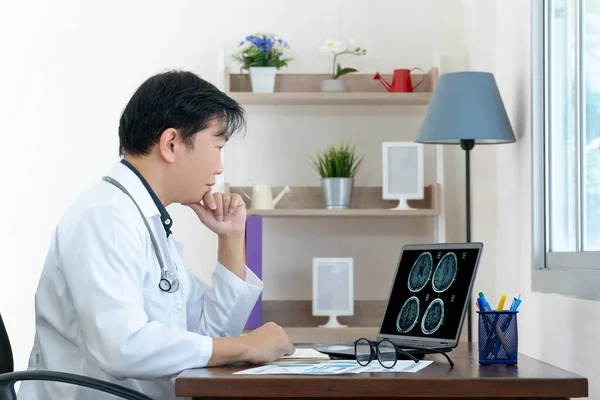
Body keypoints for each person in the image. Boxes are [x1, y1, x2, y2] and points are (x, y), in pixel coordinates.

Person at [18, 70, 295, 399]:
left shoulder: (148, 224)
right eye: (217, 146)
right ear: (171, 143)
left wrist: (231, 239)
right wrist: (245, 346)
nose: (220, 167)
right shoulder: (106, 217)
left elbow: (211, 337)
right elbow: (122, 346)